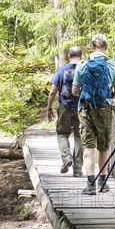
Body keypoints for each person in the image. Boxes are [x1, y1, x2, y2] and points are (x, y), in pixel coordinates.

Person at [72, 34, 115, 195]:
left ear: (92, 46)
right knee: (103, 147)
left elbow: (74, 91)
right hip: (104, 110)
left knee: (88, 148)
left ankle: (90, 185)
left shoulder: (82, 64)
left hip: (86, 110)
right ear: (105, 47)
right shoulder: (112, 65)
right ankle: (103, 182)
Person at [46, 46, 84, 177]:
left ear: (69, 55)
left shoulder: (62, 69)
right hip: (81, 107)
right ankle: (78, 169)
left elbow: (52, 92)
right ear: (81, 55)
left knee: (62, 134)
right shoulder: (85, 68)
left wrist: (49, 108)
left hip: (64, 106)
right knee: (80, 137)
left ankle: (67, 158)